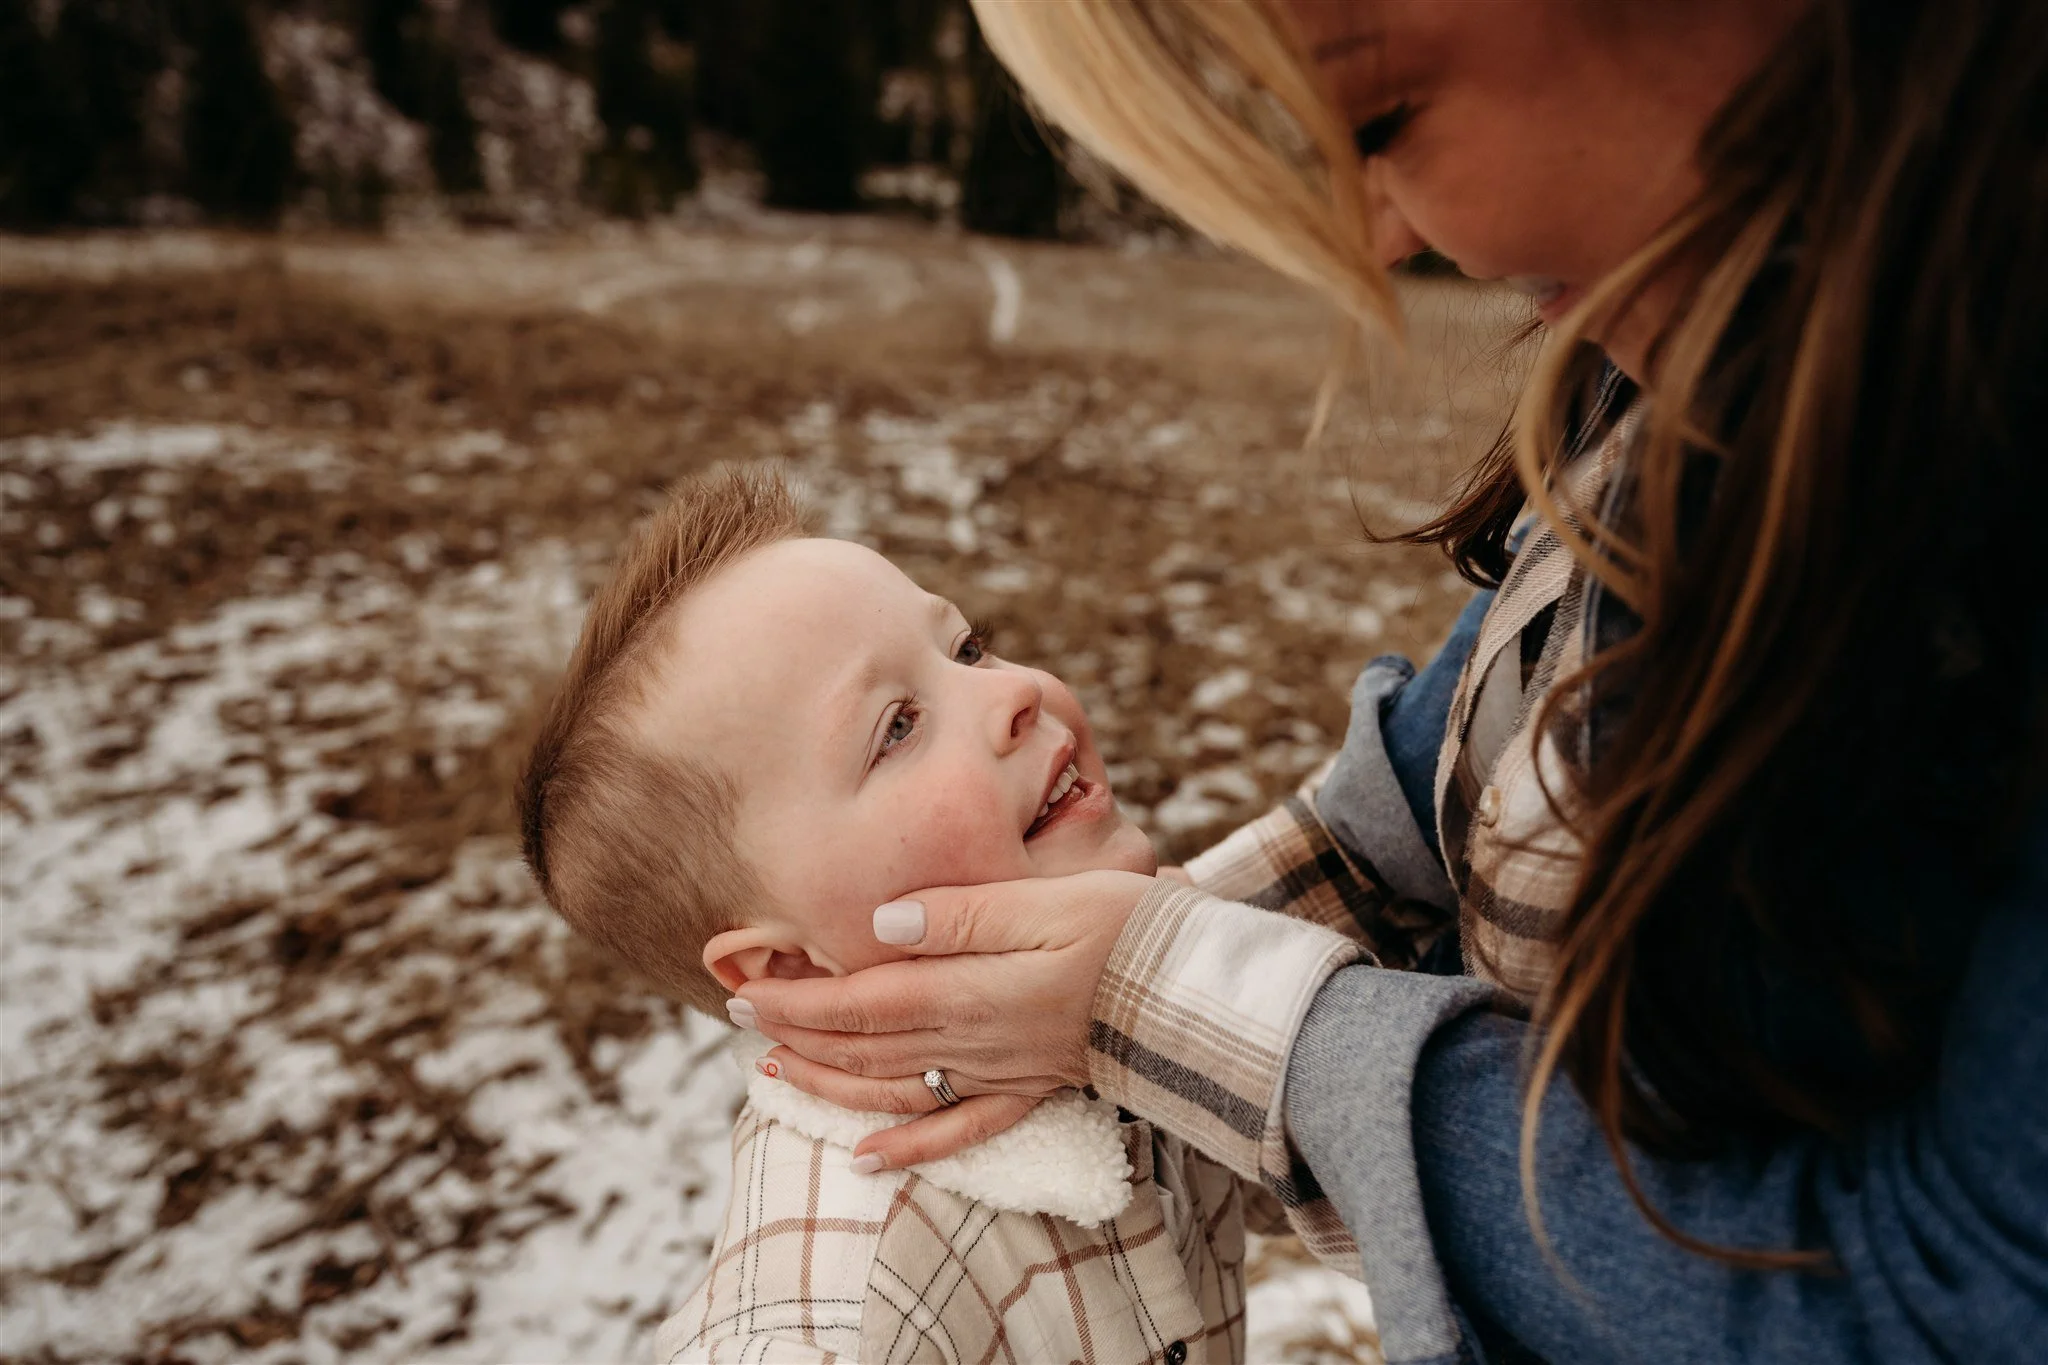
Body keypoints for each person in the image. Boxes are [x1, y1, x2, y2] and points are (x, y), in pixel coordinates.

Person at [724, 2, 2048, 1362]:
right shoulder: (1704, 383)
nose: (1380, 237)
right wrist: (1080, 991)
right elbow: (1437, 764)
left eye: (1382, 119)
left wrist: (1220, 1015)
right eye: (891, 723)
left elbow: (1971, 1303)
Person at [515, 468, 1374, 1363]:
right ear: (791, 970)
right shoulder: (843, 1309)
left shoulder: (1116, 982)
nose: (1014, 693)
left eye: (967, 650)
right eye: (896, 726)